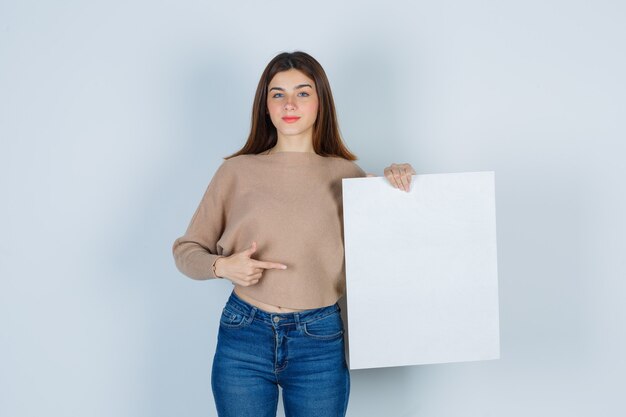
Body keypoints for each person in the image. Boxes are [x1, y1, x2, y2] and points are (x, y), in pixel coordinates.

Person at [172, 51, 415, 417]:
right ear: (265, 105)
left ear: (321, 102)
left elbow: (391, 253)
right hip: (244, 335)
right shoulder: (235, 172)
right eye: (277, 94)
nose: (289, 104)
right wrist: (223, 267)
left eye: (302, 93)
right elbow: (186, 250)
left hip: (319, 339)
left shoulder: (347, 175)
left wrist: (396, 184)